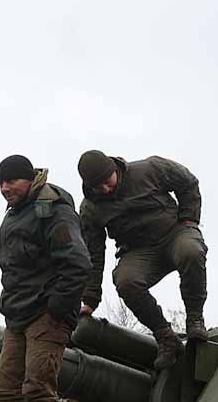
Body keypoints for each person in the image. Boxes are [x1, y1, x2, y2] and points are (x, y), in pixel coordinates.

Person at [0, 153, 89, 402]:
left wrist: (58, 309)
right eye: (1, 183)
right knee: (6, 388)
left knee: (37, 387)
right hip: (17, 314)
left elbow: (77, 263)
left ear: (29, 178)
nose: (5, 188)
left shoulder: (53, 208)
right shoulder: (16, 212)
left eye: (11, 181)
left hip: (46, 314)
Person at [75, 148, 208, 370]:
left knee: (191, 251)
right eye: (98, 186)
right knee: (126, 281)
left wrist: (189, 219)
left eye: (108, 181)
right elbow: (94, 253)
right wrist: (89, 299)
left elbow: (188, 182)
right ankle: (165, 337)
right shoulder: (90, 208)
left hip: (175, 233)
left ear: (114, 168)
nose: (106, 189)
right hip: (139, 251)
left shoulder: (149, 169)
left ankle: (195, 319)